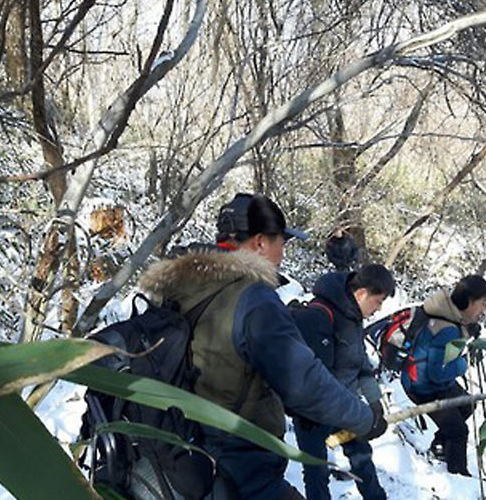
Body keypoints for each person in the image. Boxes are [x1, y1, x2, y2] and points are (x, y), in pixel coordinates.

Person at [138, 193, 387, 500]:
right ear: (259, 243)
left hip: (181, 451)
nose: (282, 253)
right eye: (281, 242)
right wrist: (365, 418)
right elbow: (304, 383)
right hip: (238, 462)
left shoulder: (178, 287)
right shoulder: (254, 300)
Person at [292, 264, 395, 500]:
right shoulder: (319, 316)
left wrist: (374, 403)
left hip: (348, 409)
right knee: (316, 471)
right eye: (378, 301)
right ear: (361, 294)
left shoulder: (354, 318)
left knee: (362, 460)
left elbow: (361, 366)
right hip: (313, 413)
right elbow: (311, 378)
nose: (378, 309)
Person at [400, 275, 486, 476]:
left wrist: (468, 329)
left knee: (467, 404)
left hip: (427, 379)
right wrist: (463, 364)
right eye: (483, 304)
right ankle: (458, 475)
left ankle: (440, 447)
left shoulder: (447, 313)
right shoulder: (446, 328)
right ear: (468, 301)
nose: (484, 310)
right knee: (458, 432)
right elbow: (438, 372)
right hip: (423, 387)